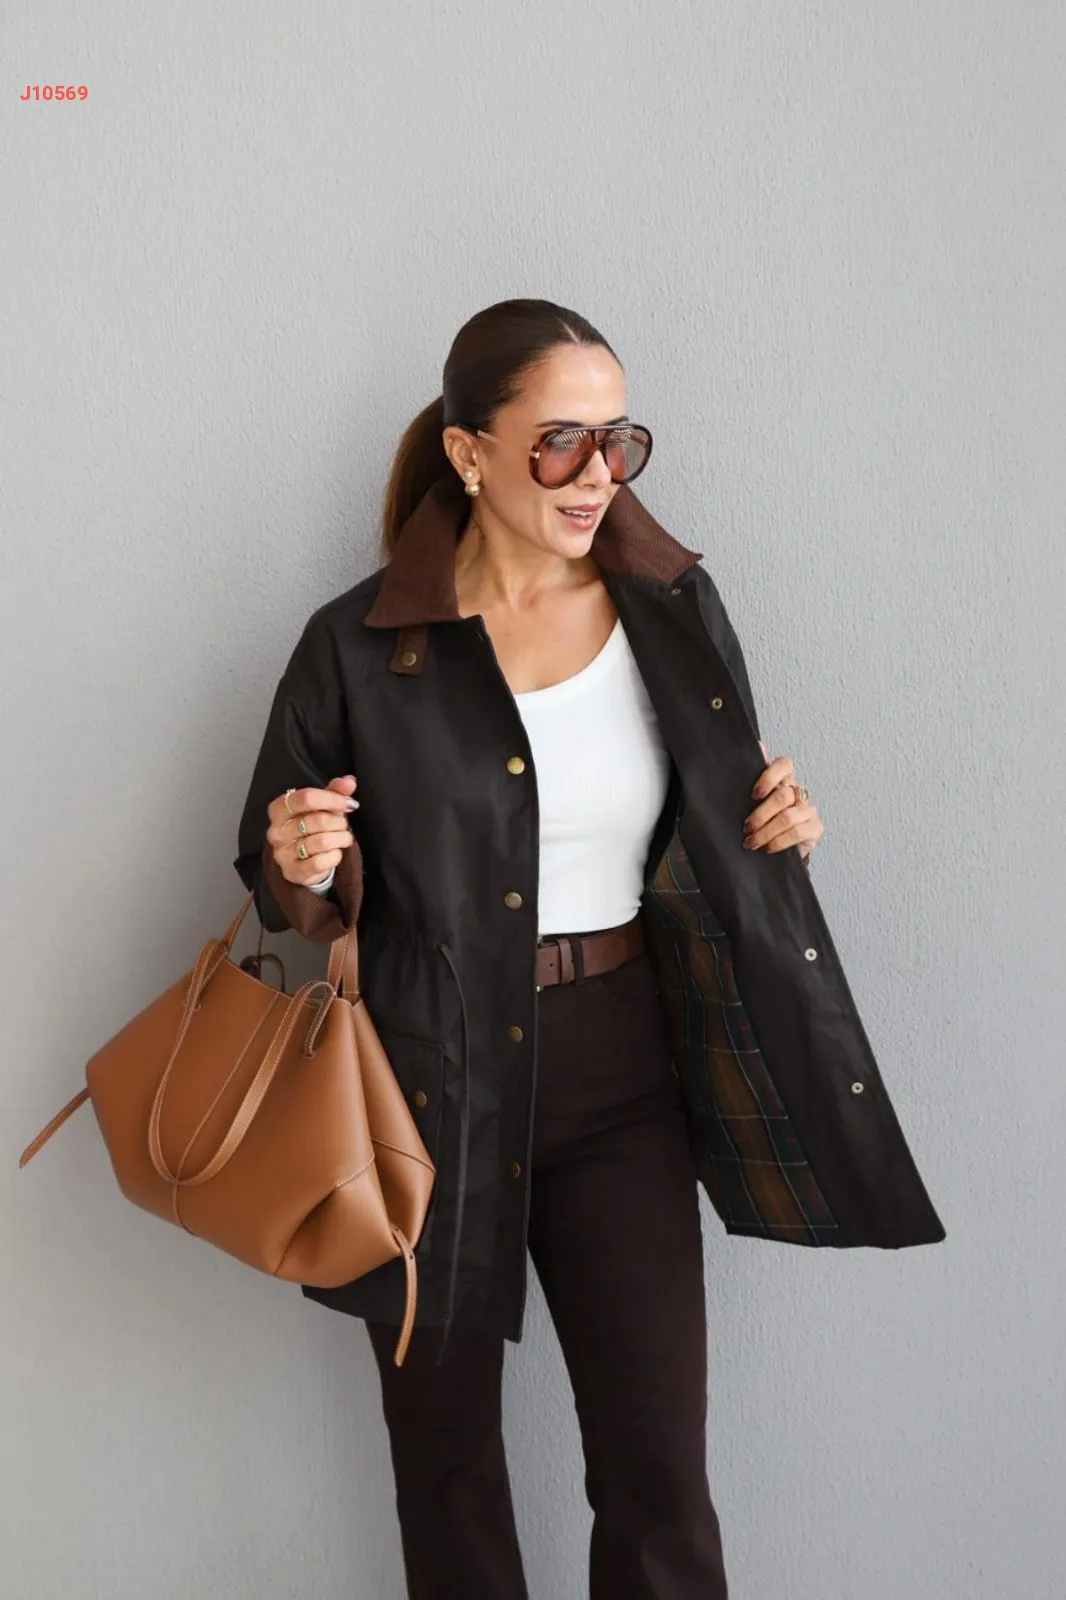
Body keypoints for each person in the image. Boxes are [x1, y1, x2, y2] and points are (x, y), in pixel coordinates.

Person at [233, 296, 943, 1599]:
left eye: (619, 440)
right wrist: (304, 859)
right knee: (445, 1469)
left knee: (656, 1469)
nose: (597, 473)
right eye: (560, 440)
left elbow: (716, 816)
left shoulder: (669, 607)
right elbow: (278, 881)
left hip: (622, 1072)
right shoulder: (360, 644)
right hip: (418, 1082)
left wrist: (777, 826)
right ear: (469, 452)